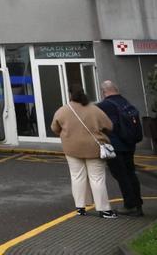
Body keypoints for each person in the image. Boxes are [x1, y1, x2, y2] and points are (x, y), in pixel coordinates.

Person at [51, 87, 117, 219]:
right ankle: (104, 210)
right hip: (94, 148)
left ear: (70, 96)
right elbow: (109, 126)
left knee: (77, 177)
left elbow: (54, 128)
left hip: (72, 149)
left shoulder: (63, 110)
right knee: (97, 178)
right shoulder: (94, 109)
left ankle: (80, 207)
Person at [98, 80, 144, 216]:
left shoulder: (104, 105)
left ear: (104, 92)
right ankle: (138, 204)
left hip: (114, 146)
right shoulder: (125, 102)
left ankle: (130, 205)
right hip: (129, 144)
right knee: (130, 173)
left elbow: (104, 125)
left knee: (121, 175)